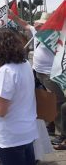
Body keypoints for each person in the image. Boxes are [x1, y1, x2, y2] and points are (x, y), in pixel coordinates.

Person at [0, 28, 38, 165]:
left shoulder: (6, 71)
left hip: (11, 136)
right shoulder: (25, 64)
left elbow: (1, 111)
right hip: (27, 131)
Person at [9, 10, 65, 143]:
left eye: (42, 24)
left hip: (50, 73)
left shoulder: (55, 35)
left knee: (56, 101)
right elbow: (23, 24)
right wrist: (13, 15)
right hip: (37, 71)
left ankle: (60, 132)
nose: (39, 25)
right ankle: (50, 124)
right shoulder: (36, 31)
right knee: (44, 99)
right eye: (39, 23)